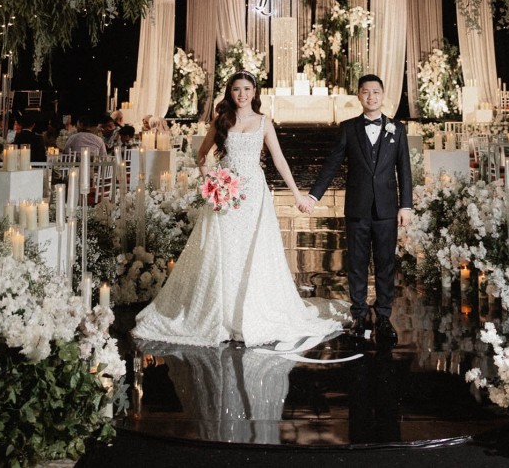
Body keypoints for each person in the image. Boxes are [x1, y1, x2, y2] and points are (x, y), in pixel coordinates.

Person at [133, 71, 344, 346]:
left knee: (252, 250)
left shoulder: (264, 122)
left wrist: (297, 194)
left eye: (246, 89)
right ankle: (222, 314)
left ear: (254, 92)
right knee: (224, 250)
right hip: (225, 195)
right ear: (230, 92)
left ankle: (250, 312)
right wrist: (212, 182)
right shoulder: (222, 120)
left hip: (253, 194)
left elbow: (279, 160)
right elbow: (201, 155)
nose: (242, 94)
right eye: (236, 89)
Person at [308, 74, 414, 347]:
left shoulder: (397, 129)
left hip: (387, 208)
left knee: (385, 264)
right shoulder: (348, 128)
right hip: (357, 207)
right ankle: (358, 315)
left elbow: (404, 169)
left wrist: (406, 205)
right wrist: (313, 195)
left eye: (376, 92)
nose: (371, 97)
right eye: (366, 92)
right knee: (356, 263)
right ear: (358, 95)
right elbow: (332, 165)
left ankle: (384, 316)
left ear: (383, 95)